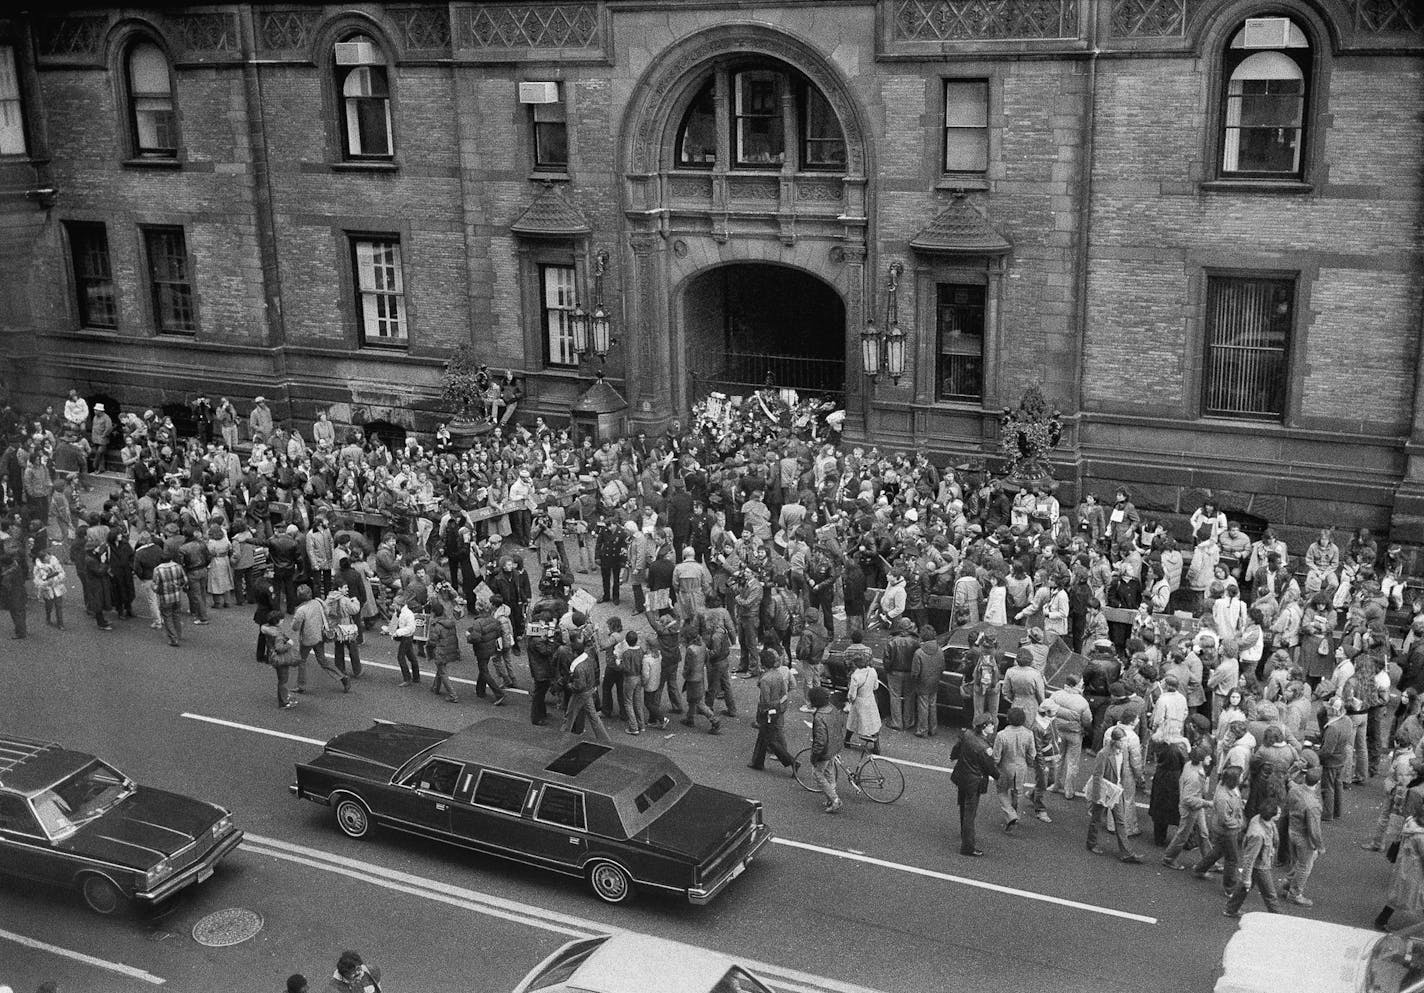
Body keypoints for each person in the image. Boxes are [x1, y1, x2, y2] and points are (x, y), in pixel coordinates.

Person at [1085, 727, 1145, 863]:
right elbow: (1097, 776)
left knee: (1120, 821)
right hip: (1105, 791)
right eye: (1122, 741)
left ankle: (1126, 853)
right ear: (1115, 741)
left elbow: (1123, 769)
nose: (1124, 744)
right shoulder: (1103, 754)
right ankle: (1091, 843)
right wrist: (1096, 797)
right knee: (1097, 818)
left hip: (1116, 790)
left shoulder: (1122, 751)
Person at [1224, 801, 1283, 917]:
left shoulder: (1259, 819)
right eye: (1278, 812)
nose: (1280, 812)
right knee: (1270, 895)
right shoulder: (1258, 835)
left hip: (1260, 862)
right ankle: (1278, 918)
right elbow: (1249, 859)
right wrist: (1246, 878)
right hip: (1260, 866)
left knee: (1244, 888)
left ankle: (1231, 909)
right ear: (1272, 816)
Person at [951, 713, 997, 856]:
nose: (993, 727)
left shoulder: (967, 735)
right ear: (984, 727)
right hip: (975, 781)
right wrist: (998, 776)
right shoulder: (984, 747)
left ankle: (964, 832)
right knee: (970, 813)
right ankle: (968, 846)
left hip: (962, 775)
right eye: (991, 725)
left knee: (963, 807)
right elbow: (990, 767)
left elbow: (957, 749)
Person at [748, 641, 797, 774]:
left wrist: (762, 713)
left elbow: (765, 700)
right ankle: (757, 761)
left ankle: (791, 761)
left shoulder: (765, 680)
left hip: (768, 711)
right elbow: (783, 692)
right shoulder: (779, 675)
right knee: (764, 738)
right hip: (778, 708)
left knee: (769, 739)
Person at [293, 584, 349, 694]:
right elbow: (326, 611)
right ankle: (342, 677)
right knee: (323, 660)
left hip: (307, 638)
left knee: (301, 660)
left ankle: (301, 685)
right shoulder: (318, 602)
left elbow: (295, 627)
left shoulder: (301, 610)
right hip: (319, 635)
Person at [1377, 810, 1424, 931]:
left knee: (1399, 894)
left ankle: (1382, 919)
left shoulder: (1410, 822)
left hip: (1405, 865)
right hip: (1415, 869)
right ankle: (1381, 920)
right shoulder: (1420, 835)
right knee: (1404, 895)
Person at [1284, 764, 1324, 907]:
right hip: (1304, 837)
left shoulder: (1294, 790)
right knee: (1305, 866)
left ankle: (1289, 882)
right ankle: (1295, 894)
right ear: (1318, 782)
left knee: (1298, 861)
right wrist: (1319, 846)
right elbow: (1314, 829)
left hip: (1292, 830)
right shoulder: (1313, 804)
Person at [992, 706, 1035, 832]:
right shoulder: (1028, 734)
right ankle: (1016, 815)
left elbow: (996, 757)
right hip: (1021, 768)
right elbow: (1032, 753)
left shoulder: (1001, 735)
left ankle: (1010, 814)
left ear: (1008, 719)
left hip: (1005, 768)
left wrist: (994, 766)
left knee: (1002, 791)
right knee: (1018, 793)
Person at [562, 635, 611, 742]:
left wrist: (569, 685)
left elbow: (579, 686)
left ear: (575, 653)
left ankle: (563, 738)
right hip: (589, 690)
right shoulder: (588, 658)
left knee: (570, 714)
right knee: (593, 716)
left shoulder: (578, 667)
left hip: (580, 693)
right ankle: (605, 739)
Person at [808, 685, 845, 813]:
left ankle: (834, 799)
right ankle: (831, 796)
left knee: (817, 774)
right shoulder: (832, 708)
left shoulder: (819, 717)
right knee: (829, 772)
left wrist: (814, 756)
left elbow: (820, 741)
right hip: (835, 746)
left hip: (825, 751)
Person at [910, 625, 946, 738]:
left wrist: (914, 682)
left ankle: (922, 730)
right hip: (935, 682)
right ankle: (933, 729)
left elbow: (915, 672)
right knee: (932, 705)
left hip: (922, 683)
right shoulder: (940, 650)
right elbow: (942, 667)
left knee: (923, 707)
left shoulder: (919, 653)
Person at [261, 609, 299, 709]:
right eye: (281, 619)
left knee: (281, 679)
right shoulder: (277, 634)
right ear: (277, 621)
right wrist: (288, 644)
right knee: (283, 680)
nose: (283, 621)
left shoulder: (269, 630)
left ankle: (284, 695)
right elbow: (280, 648)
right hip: (280, 659)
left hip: (272, 656)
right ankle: (283, 701)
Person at [152, 551, 187, 648]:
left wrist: (157, 590)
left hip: (165, 597)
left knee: (167, 617)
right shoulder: (178, 566)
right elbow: (184, 580)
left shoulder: (157, 569)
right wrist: (177, 586)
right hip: (176, 596)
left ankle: (173, 638)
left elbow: (155, 586)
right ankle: (179, 634)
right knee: (176, 615)